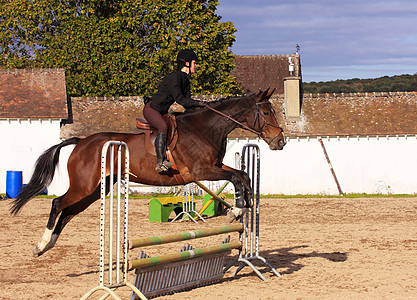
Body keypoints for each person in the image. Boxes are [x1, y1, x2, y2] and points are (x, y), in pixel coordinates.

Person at [143, 49, 205, 173]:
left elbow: (188, 103)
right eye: (194, 63)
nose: (196, 65)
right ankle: (160, 162)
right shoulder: (174, 78)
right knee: (162, 126)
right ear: (187, 63)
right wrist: (199, 103)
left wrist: (202, 109)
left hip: (162, 111)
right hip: (152, 109)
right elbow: (180, 99)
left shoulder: (185, 81)